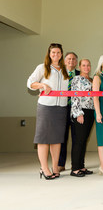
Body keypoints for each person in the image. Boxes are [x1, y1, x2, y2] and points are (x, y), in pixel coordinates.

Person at [27, 43, 69, 180]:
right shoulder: (42, 67)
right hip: (46, 107)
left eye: (58, 52)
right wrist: (42, 85)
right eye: (53, 53)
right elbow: (30, 83)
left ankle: (55, 167)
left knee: (57, 140)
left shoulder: (64, 70)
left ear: (61, 54)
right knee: (44, 139)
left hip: (61, 108)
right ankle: (44, 168)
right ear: (49, 54)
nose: (55, 55)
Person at [70, 59, 95, 177]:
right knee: (79, 140)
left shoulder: (91, 79)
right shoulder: (76, 79)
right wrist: (78, 113)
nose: (86, 67)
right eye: (84, 65)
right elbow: (75, 96)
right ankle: (75, 168)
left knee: (84, 140)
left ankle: (81, 166)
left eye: (88, 65)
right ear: (80, 67)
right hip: (81, 111)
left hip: (91, 111)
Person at [58, 51, 80, 172]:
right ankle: (60, 164)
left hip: (76, 109)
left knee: (77, 138)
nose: (71, 61)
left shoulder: (79, 74)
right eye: (68, 59)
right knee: (62, 137)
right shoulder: (59, 74)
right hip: (62, 109)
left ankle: (75, 164)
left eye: (73, 59)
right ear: (65, 61)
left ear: (76, 62)